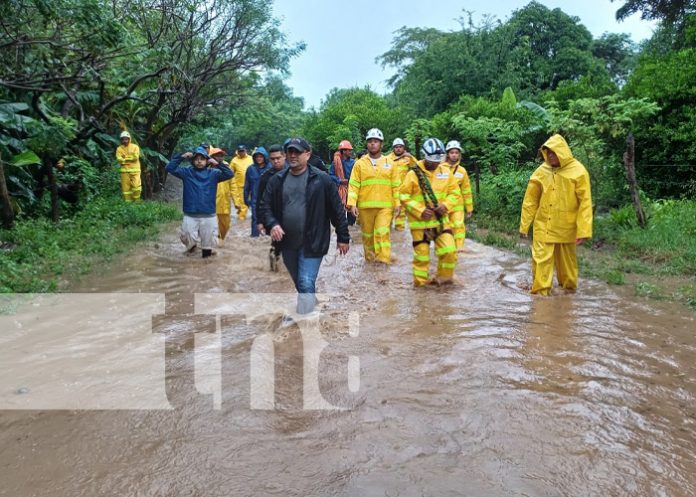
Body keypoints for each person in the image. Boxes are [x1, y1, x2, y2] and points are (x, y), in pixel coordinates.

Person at [259, 137, 350, 314]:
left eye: (297, 152)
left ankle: (306, 323)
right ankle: (311, 302)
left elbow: (337, 210)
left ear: (307, 154)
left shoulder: (322, 179)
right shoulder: (277, 180)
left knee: (305, 281)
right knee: (300, 282)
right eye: (290, 152)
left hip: (314, 241)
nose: (293, 155)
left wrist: (343, 237)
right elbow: (265, 205)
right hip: (287, 242)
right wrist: (272, 224)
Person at [519, 134, 593, 295]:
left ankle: (567, 295)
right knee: (541, 261)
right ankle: (540, 296)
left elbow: (585, 203)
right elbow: (530, 200)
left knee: (567, 267)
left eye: (554, 152)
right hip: (543, 225)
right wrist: (524, 225)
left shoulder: (578, 171)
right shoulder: (541, 172)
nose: (551, 156)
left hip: (566, 227)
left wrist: (584, 230)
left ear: (562, 152)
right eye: (548, 153)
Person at [400, 138, 461, 286]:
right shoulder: (413, 174)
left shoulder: (446, 172)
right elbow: (403, 195)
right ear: (424, 155)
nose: (435, 163)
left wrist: (445, 206)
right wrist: (420, 210)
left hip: (441, 221)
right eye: (432, 160)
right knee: (422, 259)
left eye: (438, 160)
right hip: (420, 225)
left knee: (449, 251)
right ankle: (421, 290)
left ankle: (444, 282)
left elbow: (455, 193)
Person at [165, 146, 233, 258]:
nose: (199, 161)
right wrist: (181, 157)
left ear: (207, 161)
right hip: (190, 214)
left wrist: (217, 163)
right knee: (187, 239)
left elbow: (229, 174)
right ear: (192, 161)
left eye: (202, 159)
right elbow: (169, 168)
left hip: (208, 215)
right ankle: (192, 257)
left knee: (208, 246)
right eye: (196, 159)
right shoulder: (186, 172)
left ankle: (205, 268)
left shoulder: (214, 173)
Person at [346, 128, 401, 264]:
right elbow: (354, 184)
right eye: (370, 141)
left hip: (385, 206)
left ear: (381, 144)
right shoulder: (359, 164)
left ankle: (383, 263)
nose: (372, 144)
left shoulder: (390, 163)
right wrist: (352, 203)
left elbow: (396, 185)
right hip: (365, 207)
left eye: (375, 141)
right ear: (367, 144)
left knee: (382, 233)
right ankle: (370, 263)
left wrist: (398, 203)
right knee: (368, 237)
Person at [256, 144, 287, 270]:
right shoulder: (265, 177)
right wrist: (259, 221)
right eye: (273, 159)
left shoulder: (294, 172)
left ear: (284, 156)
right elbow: (260, 201)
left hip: (292, 216)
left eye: (278, 158)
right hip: (274, 218)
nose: (276, 161)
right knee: (276, 245)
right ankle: (274, 270)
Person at [444, 140, 474, 250]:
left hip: (457, 205)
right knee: (446, 228)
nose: (454, 155)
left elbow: (466, 190)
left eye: (456, 152)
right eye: (452, 152)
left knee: (458, 226)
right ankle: (448, 249)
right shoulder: (441, 168)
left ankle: (460, 249)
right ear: (447, 154)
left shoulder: (462, 171)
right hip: (444, 205)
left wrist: (469, 208)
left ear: (459, 154)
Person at [386, 138, 417, 231]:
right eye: (396, 147)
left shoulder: (408, 158)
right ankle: (389, 232)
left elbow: (418, 167)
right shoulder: (387, 159)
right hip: (390, 191)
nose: (398, 149)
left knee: (401, 213)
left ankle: (400, 232)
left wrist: (411, 156)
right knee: (388, 213)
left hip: (402, 191)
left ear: (404, 148)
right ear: (393, 148)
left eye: (400, 147)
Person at [328, 140, 357, 226]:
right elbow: (330, 175)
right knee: (340, 211)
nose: (350, 152)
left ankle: (351, 227)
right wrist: (339, 180)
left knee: (352, 209)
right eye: (349, 150)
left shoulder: (353, 163)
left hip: (351, 189)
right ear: (344, 151)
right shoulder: (335, 163)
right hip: (340, 191)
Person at [244, 147, 270, 237]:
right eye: (257, 157)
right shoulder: (250, 169)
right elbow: (247, 185)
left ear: (265, 157)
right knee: (255, 218)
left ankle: (269, 237)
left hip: (268, 198)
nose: (259, 159)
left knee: (268, 217)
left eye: (261, 157)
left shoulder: (270, 168)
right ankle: (254, 238)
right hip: (255, 199)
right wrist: (246, 199)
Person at [209, 147, 233, 243]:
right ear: (212, 157)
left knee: (225, 226)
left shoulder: (227, 168)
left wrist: (237, 200)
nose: (220, 158)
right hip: (212, 203)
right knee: (213, 228)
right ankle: (216, 244)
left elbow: (233, 184)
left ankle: (221, 240)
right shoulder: (207, 168)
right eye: (218, 156)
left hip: (225, 203)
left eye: (221, 156)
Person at [115, 131, 142, 202]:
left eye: (126, 139)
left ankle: (137, 202)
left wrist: (125, 158)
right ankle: (128, 203)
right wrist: (129, 158)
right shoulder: (119, 149)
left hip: (135, 171)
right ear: (121, 140)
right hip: (124, 171)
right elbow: (119, 159)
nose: (125, 141)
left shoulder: (135, 147)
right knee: (125, 189)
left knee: (136, 187)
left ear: (129, 139)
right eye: (123, 139)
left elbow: (135, 157)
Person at [230, 145, 253, 221]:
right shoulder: (234, 160)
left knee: (246, 204)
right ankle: (241, 218)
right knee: (241, 204)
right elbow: (230, 173)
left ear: (245, 150)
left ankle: (242, 219)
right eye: (240, 151)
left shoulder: (251, 159)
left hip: (251, 185)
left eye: (242, 151)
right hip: (239, 186)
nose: (241, 152)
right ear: (238, 152)